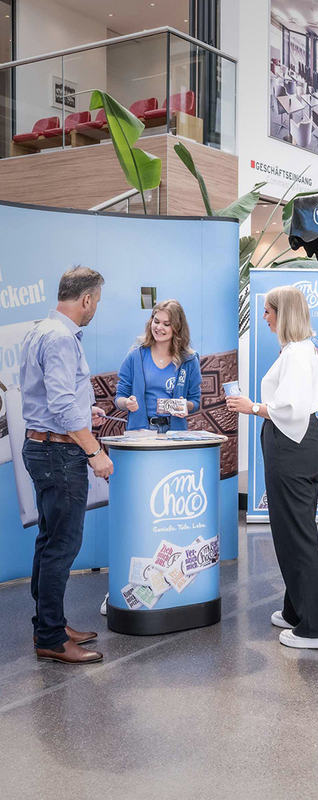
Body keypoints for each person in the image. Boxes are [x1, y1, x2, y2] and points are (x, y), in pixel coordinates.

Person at [227, 286, 318, 649]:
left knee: (297, 539)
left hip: (293, 448)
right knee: (292, 534)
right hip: (298, 445)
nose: (264, 317)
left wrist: (252, 406)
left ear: (282, 312)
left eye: (268, 311)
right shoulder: (299, 351)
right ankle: (296, 611)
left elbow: (290, 406)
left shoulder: (296, 354)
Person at [20, 267, 113, 665]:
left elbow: (53, 397)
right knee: (62, 544)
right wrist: (95, 453)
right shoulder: (60, 338)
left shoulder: (42, 329)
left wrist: (84, 408)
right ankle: (52, 639)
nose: (96, 309)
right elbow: (58, 405)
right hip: (58, 454)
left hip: (42, 447)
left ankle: (49, 622)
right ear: (86, 299)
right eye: (97, 302)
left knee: (48, 539)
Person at [115, 300, 202, 433]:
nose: (159, 327)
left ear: (177, 327)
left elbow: (195, 402)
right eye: (156, 321)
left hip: (174, 433)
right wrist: (128, 403)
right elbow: (119, 398)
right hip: (141, 432)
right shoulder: (135, 356)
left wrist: (185, 405)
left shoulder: (189, 360)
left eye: (166, 324)